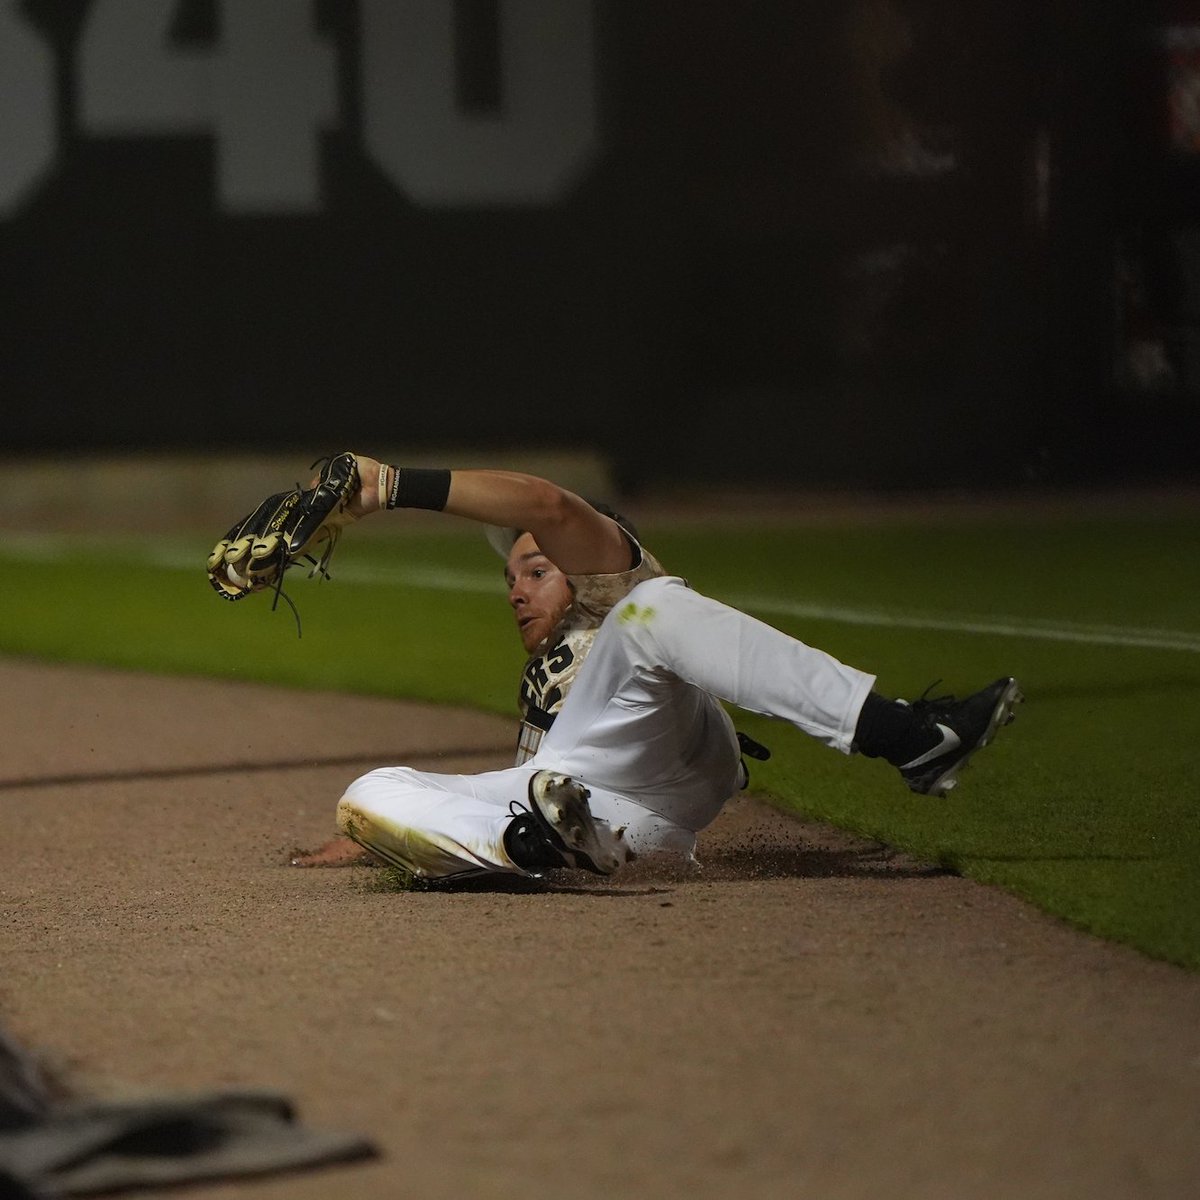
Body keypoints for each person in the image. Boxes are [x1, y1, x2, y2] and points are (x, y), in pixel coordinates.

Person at [313, 454, 1021, 881]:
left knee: (652, 610)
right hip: (603, 825)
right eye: (511, 579)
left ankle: (902, 733)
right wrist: (388, 834)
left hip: (661, 766)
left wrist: (386, 485)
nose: (518, 590)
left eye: (536, 569)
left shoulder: (614, 584)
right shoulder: (557, 679)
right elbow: (533, 776)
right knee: (367, 791)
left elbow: (547, 502)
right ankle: (534, 847)